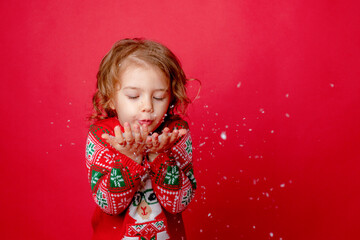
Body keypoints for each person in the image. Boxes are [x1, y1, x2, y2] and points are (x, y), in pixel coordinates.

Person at [85, 38, 197, 240]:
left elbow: (179, 203)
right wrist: (130, 158)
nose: (147, 106)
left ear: (171, 97)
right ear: (111, 98)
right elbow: (109, 205)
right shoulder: (103, 137)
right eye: (134, 96)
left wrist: (160, 157)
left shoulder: (175, 134)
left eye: (159, 97)